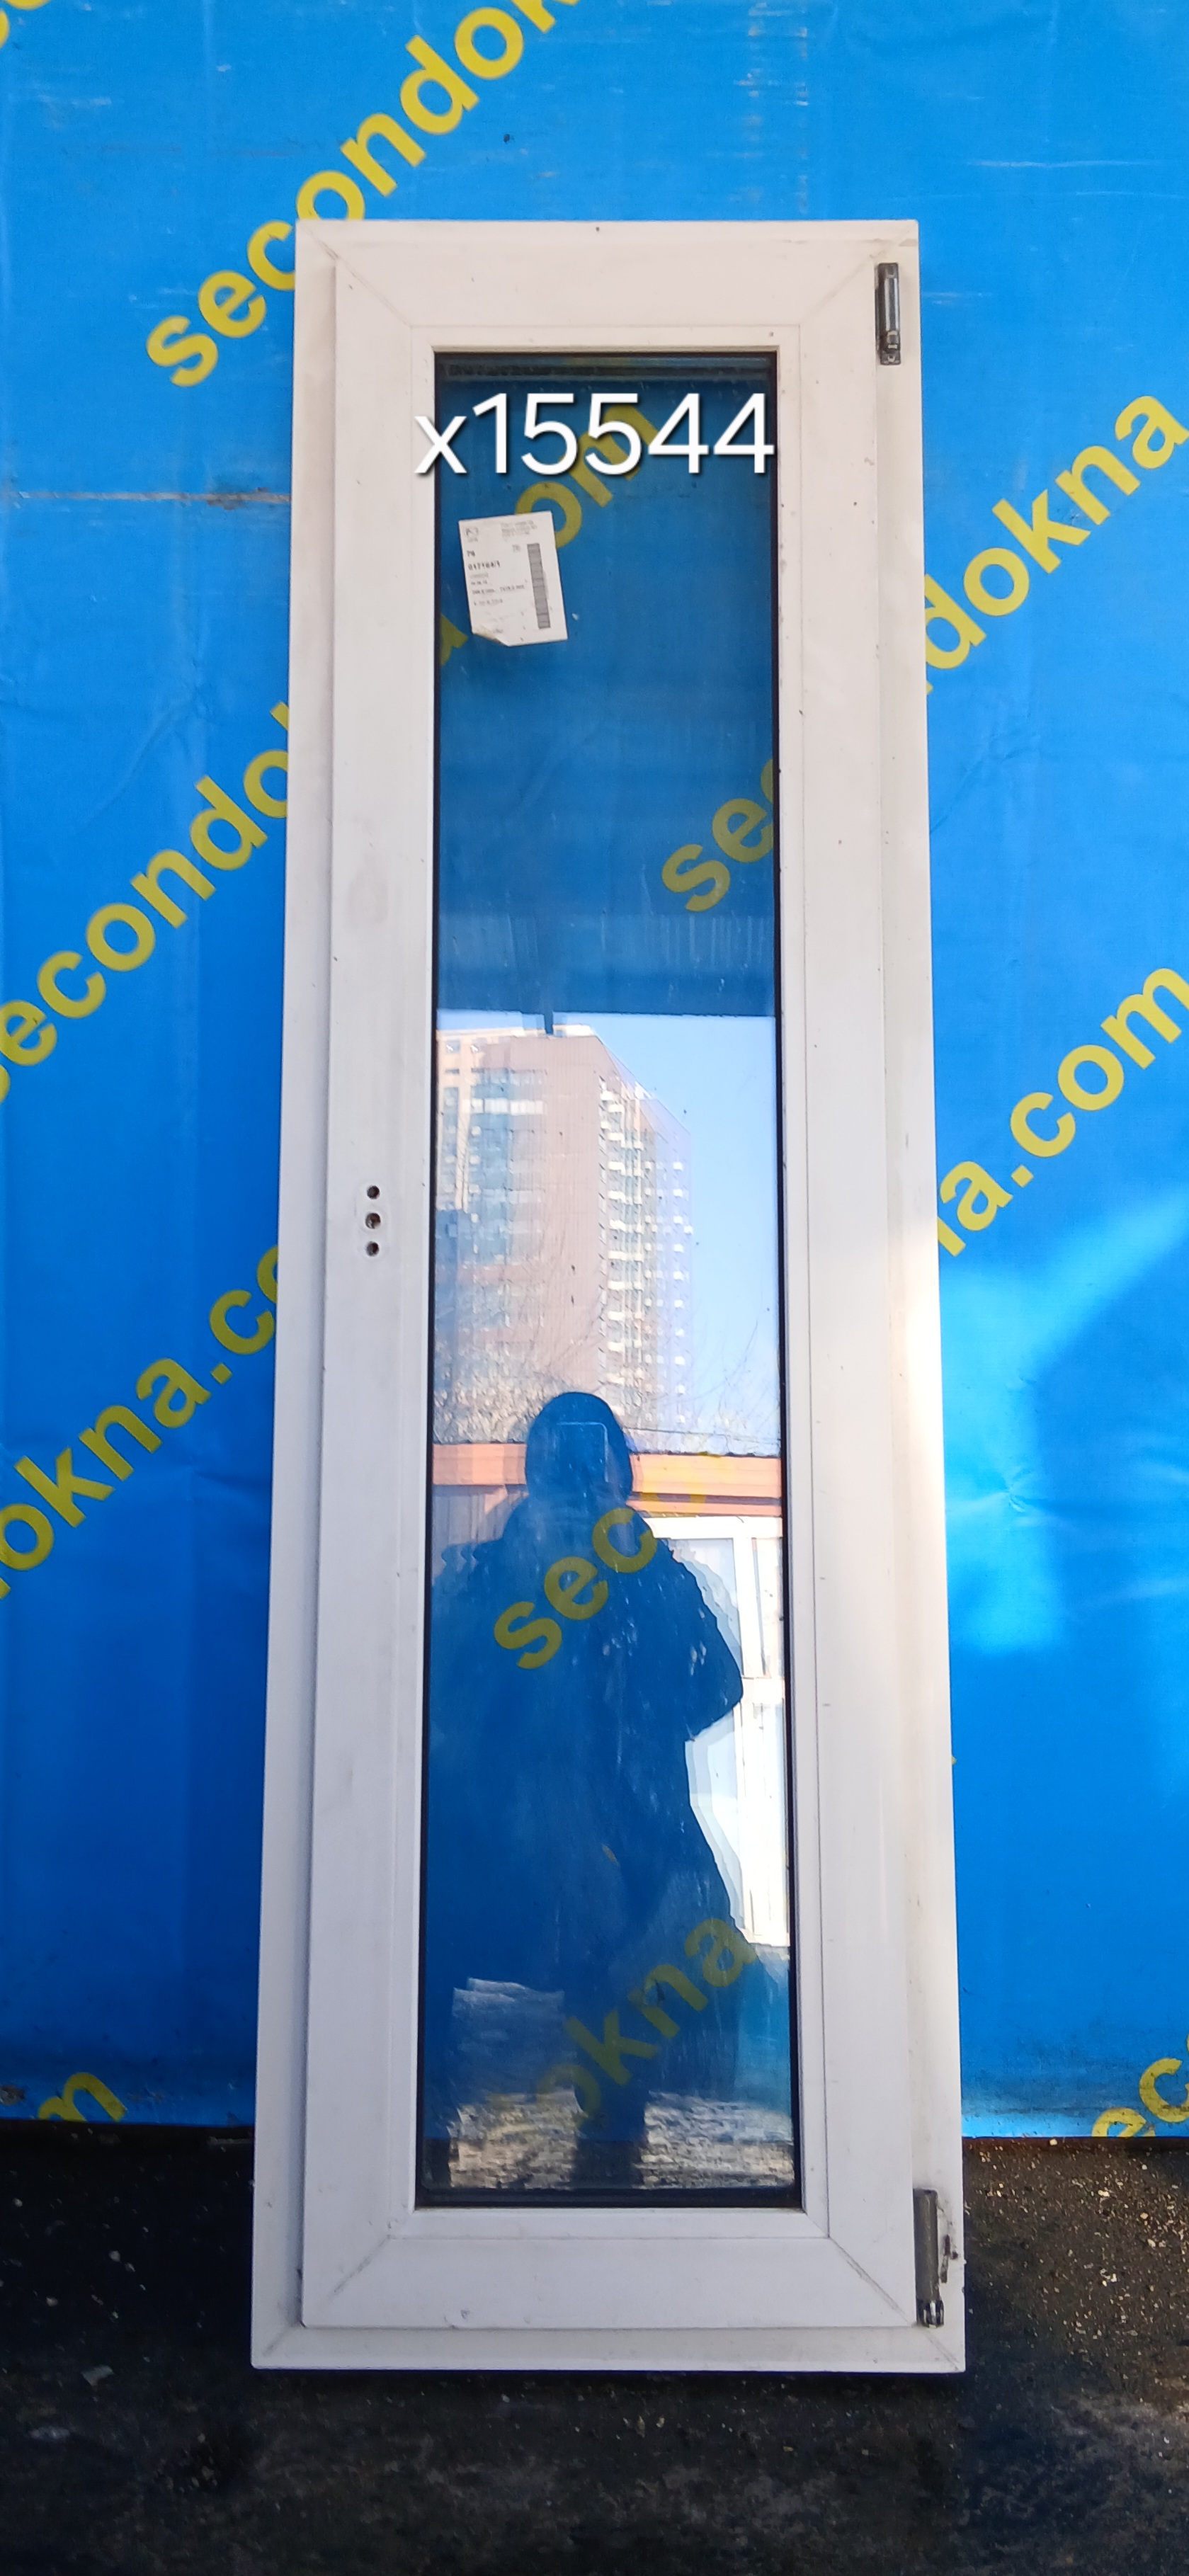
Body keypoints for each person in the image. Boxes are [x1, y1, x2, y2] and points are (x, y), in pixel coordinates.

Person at [421, 1391, 746, 2187]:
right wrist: (515, 1574)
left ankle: (611, 2177)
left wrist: (646, 1575)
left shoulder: (650, 1574)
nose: (573, 1482)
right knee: (428, 2018)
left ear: (619, 1478)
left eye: (589, 1465)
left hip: (623, 1848)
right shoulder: (488, 1568)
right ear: (529, 1474)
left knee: (615, 2050)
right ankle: (418, 2174)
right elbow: (437, 1693)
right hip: (493, 1848)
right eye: (557, 1463)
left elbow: (716, 1686)